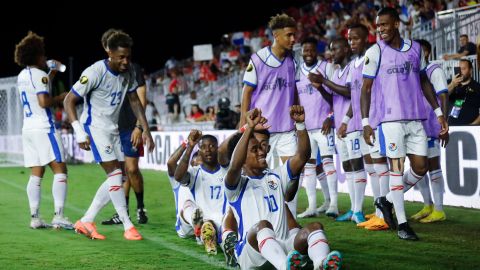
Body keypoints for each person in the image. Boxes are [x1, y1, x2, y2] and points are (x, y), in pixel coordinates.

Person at [360, 7, 448, 240]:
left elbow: (424, 82)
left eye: (385, 25)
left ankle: (386, 200)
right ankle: (402, 224)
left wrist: (439, 112)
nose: (380, 30)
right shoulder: (375, 52)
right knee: (396, 170)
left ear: (396, 24)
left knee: (421, 167)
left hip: (416, 118)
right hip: (391, 121)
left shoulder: (415, 49)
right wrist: (366, 122)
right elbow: (365, 89)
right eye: (378, 26)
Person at [225, 107, 342, 270]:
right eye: (254, 149)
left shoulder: (276, 176)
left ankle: (321, 264)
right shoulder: (235, 186)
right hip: (252, 253)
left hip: (282, 247)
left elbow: (302, 156)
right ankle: (284, 267)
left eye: (261, 147)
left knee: (315, 228)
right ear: (242, 158)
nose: (262, 152)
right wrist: (249, 127)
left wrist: (300, 125)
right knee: (263, 226)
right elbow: (234, 167)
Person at [64, 31, 155, 240]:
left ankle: (86, 221)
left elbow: (134, 101)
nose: (125, 61)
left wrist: (146, 129)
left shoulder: (129, 71)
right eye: (121, 57)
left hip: (112, 129)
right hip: (94, 128)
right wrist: (78, 131)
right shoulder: (95, 72)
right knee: (115, 175)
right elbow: (68, 100)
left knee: (120, 176)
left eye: (128, 57)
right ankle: (128, 225)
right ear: (110, 53)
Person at [14, 31, 72, 230]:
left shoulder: (23, 75)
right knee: (60, 169)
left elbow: (37, 90)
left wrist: (52, 74)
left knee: (36, 173)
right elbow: (44, 101)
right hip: (44, 128)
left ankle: (35, 217)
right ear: (37, 55)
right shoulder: (40, 76)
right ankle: (59, 215)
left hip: (28, 129)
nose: (45, 56)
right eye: (43, 53)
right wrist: (62, 97)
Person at [98, 29, 150, 226]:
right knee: (119, 172)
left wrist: (139, 127)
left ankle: (141, 207)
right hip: (112, 128)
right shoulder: (102, 71)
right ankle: (123, 212)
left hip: (130, 127)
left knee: (132, 169)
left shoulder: (133, 69)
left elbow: (142, 98)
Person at [295, 37, 338, 219]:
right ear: (301, 52)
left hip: (323, 125)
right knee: (309, 166)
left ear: (317, 51)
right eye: (305, 50)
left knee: (328, 163)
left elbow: (335, 96)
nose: (308, 53)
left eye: (311, 50)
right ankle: (312, 206)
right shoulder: (298, 72)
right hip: (306, 127)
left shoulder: (326, 68)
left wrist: (332, 116)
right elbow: (296, 99)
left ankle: (334, 204)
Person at [411, 39, 449, 223]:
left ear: (425, 52)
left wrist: (444, 123)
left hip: (432, 125)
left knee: (433, 166)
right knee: (418, 167)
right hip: (418, 125)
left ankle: (439, 210)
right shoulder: (416, 74)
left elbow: (443, 94)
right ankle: (428, 205)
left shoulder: (435, 69)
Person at [174, 131, 228, 255]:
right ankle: (203, 231)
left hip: (222, 220)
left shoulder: (227, 171)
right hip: (201, 221)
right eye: (203, 147)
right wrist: (190, 147)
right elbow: (178, 176)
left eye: (211, 146)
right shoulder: (194, 172)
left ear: (217, 149)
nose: (208, 150)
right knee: (190, 208)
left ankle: (211, 238)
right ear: (199, 152)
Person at [447, 59, 480, 125]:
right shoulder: (450, 83)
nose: (461, 71)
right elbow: (441, 96)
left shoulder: (477, 87)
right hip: (450, 127)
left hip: (469, 128)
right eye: (459, 68)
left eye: (463, 68)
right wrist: (452, 85)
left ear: (470, 70)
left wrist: (473, 125)